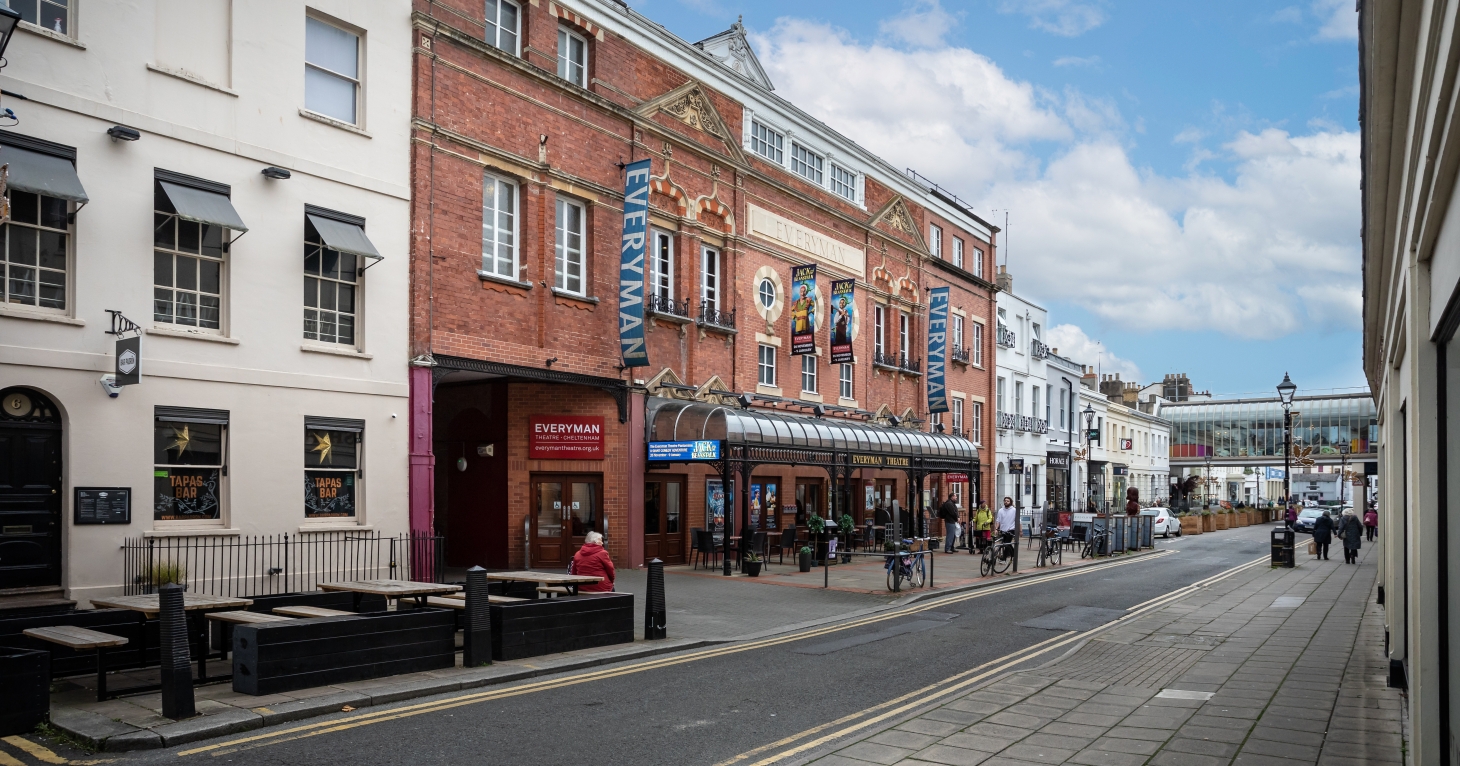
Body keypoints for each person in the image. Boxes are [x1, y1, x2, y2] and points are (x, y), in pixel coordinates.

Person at [995, 497, 1018, 567]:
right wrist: (996, 529)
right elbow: (998, 520)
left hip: (1011, 529)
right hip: (1003, 529)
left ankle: (1003, 559)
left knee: (1006, 543)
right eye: (1005, 501)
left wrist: (1020, 530)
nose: (1006, 502)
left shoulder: (1014, 510)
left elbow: (1018, 520)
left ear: (1010, 502)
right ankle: (1014, 554)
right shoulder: (1001, 510)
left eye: (1007, 501)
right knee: (1006, 544)